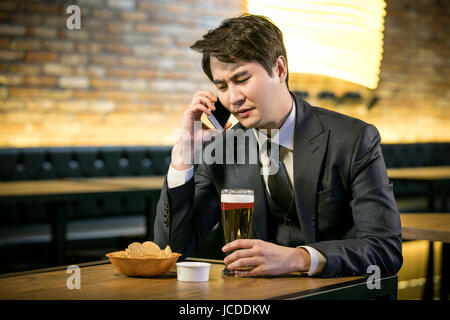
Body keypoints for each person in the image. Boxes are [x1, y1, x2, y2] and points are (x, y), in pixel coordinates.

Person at [154, 14, 403, 278]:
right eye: (222, 86)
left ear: (280, 69)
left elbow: (384, 250)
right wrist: (183, 155)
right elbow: (170, 251)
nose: (233, 99)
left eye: (242, 79)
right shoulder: (222, 150)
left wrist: (300, 258)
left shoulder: (354, 139)